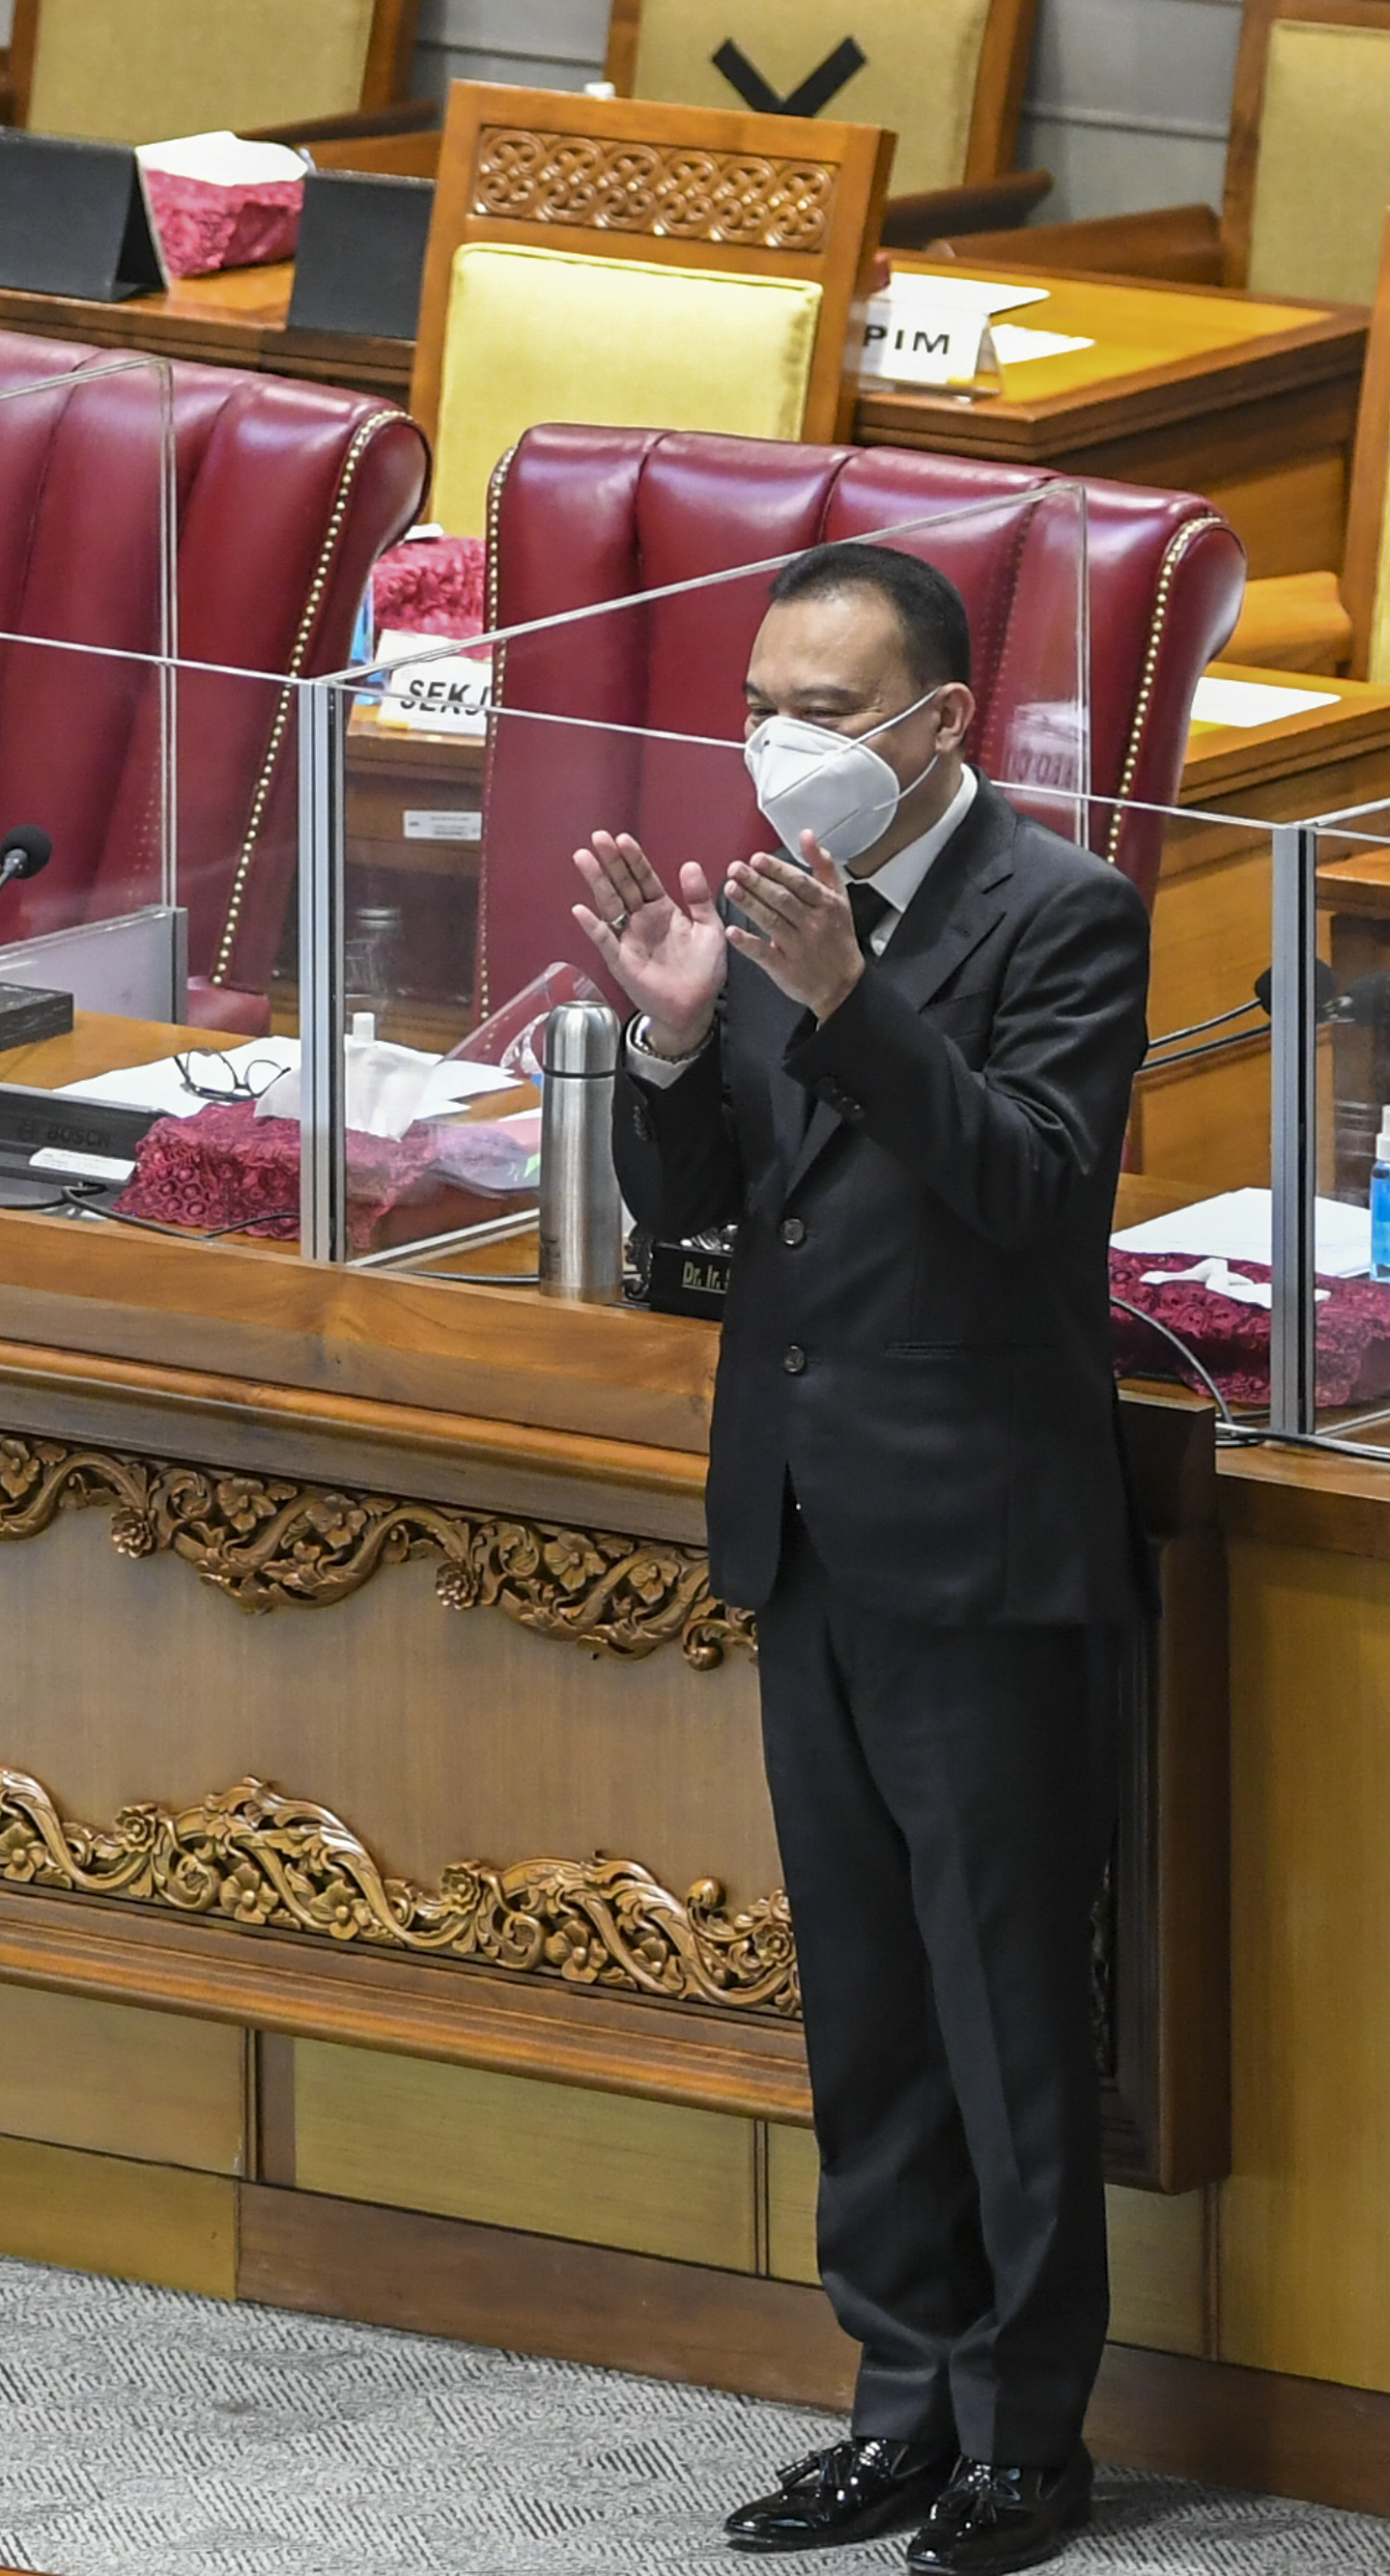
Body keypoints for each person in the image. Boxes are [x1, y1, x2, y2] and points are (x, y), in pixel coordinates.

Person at [576, 541, 1146, 2576]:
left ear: (937, 727)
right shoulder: (751, 917)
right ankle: (893, 2403)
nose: (777, 745)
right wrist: (666, 1042)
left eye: (822, 711)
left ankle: (1022, 2437)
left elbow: (1029, 1189)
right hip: (800, 1527)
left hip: (979, 1549)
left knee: (1002, 2010)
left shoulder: (1057, 914)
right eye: (759, 705)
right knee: (867, 2008)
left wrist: (840, 1002)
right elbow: (697, 1215)